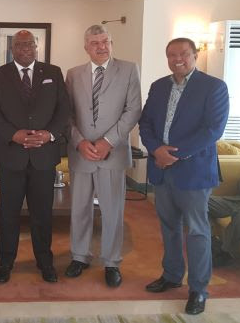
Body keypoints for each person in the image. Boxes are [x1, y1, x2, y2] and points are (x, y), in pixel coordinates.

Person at [139, 37, 229, 315]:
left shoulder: (213, 87)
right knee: (169, 227)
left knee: (198, 231)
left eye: (184, 54)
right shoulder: (158, 86)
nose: (177, 59)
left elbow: (213, 130)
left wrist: (174, 154)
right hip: (161, 168)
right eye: (171, 55)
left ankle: (198, 289)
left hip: (194, 172)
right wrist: (156, 150)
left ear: (195, 55)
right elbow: (145, 123)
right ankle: (172, 275)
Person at [0, 30, 70, 284]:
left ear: (36, 46)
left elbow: (64, 109)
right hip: (11, 155)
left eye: (30, 44)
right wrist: (13, 134)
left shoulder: (53, 72)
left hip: (43, 156)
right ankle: (5, 262)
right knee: (8, 213)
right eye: (20, 44)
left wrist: (49, 134)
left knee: (42, 214)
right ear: (12, 49)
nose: (25, 48)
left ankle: (45, 262)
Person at [64, 24, 141, 287]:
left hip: (113, 153)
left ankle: (111, 261)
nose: (101, 47)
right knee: (80, 209)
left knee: (112, 211)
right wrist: (79, 142)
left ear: (111, 43)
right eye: (95, 43)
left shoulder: (129, 70)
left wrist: (108, 141)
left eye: (105, 41)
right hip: (82, 153)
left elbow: (133, 110)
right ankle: (79, 256)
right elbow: (67, 114)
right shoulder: (73, 74)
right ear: (86, 47)